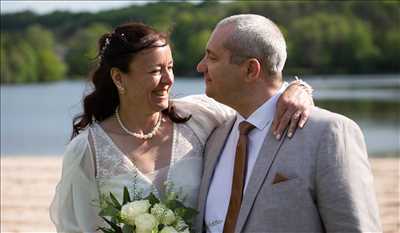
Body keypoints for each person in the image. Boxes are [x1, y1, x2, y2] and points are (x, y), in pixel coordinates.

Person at [49, 22, 313, 232]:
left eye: (170, 67)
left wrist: (298, 89)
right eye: (155, 71)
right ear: (119, 78)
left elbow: (259, 102)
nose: (168, 80)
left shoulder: (200, 116)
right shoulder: (88, 151)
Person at [195, 14, 382, 233]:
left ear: (250, 70)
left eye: (212, 58)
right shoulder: (214, 134)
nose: (200, 67)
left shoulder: (328, 133)